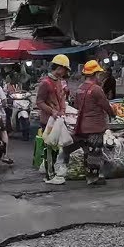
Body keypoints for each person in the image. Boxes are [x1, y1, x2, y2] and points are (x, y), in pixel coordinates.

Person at [59, 60, 116, 186]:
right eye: (99, 74)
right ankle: (93, 178)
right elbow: (106, 106)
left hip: (81, 125)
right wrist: (112, 114)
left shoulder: (80, 88)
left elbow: (77, 105)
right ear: (96, 74)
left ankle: (89, 175)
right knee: (95, 152)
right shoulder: (96, 89)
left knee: (88, 151)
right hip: (94, 126)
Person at [36, 55, 71, 186]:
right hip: (48, 121)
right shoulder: (45, 83)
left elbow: (61, 99)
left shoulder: (59, 82)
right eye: (65, 69)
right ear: (59, 68)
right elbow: (39, 101)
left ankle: (54, 171)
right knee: (50, 148)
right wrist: (52, 111)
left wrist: (63, 110)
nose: (66, 72)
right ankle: (50, 175)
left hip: (58, 120)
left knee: (56, 147)